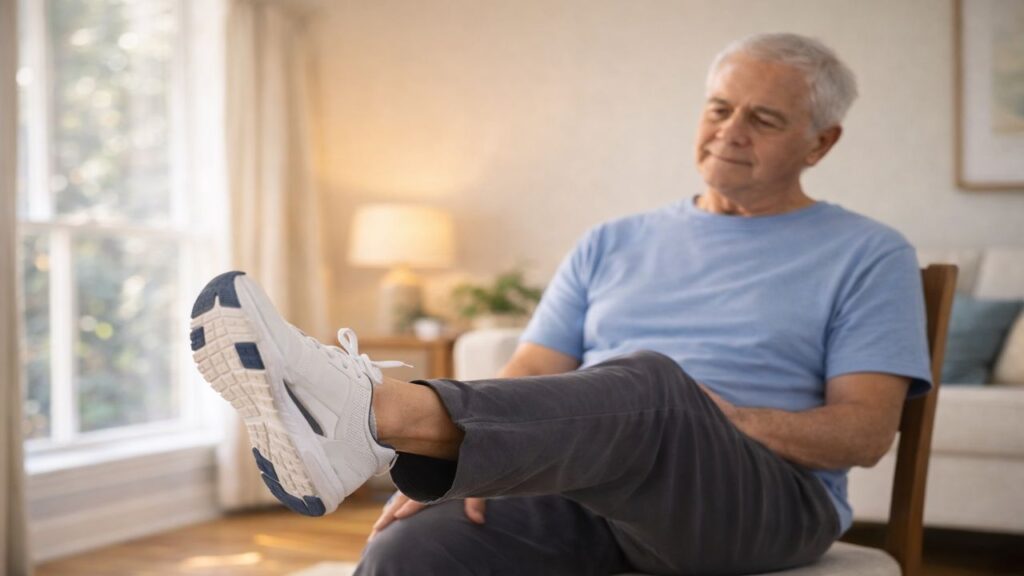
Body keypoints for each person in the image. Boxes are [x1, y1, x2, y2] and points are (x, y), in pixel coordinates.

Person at [189, 32, 931, 575]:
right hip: (590, 486)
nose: (730, 132)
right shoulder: (612, 241)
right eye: (719, 107)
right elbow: (532, 371)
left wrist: (717, 416)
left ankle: (369, 416)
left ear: (820, 143)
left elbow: (863, 436)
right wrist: (475, 468)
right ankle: (371, 426)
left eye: (763, 119)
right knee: (414, 550)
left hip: (760, 506)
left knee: (652, 385)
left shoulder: (869, 252)